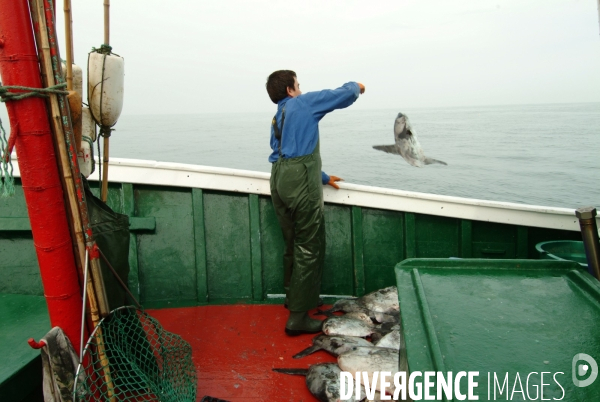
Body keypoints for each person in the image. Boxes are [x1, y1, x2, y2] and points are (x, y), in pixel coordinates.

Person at [265, 70, 365, 335]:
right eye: (297, 85)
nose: (300, 88)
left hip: (278, 181)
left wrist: (321, 177)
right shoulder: (304, 103)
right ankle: (298, 318)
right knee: (309, 246)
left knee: (291, 242)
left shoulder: (278, 117)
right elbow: (343, 94)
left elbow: (284, 153)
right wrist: (358, 86)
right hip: (299, 183)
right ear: (289, 89)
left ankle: (293, 297)